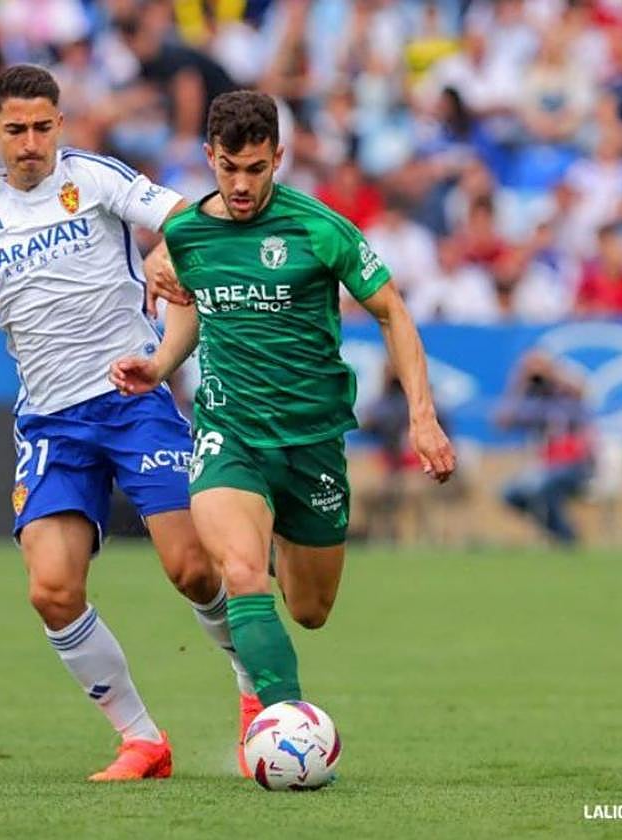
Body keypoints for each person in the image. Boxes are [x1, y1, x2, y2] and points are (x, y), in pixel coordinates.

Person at [0, 66, 253, 781]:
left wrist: (167, 249)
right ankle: (142, 740)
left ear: (60, 125)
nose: (31, 143)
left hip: (133, 399)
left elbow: (185, 215)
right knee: (51, 589)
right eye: (17, 129)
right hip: (53, 423)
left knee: (192, 566)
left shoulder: (97, 178)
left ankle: (251, 686)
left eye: (43, 128)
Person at [110, 91, 455, 712]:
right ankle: (284, 722)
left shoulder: (318, 228)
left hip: (310, 440)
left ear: (279, 157)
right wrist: (159, 364)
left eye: (256, 169)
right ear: (209, 156)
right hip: (229, 432)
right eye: (229, 168)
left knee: (310, 609)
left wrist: (422, 419)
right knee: (242, 573)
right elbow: (191, 311)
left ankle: (269, 540)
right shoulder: (186, 234)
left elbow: (392, 312)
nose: (241, 185)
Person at [495, 351, 594, 545]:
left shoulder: (568, 398)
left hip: (575, 466)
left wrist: (553, 374)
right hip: (545, 466)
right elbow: (502, 423)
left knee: (544, 487)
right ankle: (562, 533)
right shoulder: (534, 402)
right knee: (511, 493)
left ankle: (566, 538)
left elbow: (583, 393)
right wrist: (519, 384)